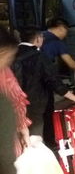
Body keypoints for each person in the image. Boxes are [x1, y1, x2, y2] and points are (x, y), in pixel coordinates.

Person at [14, 26, 75, 142]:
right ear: (38, 39)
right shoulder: (39, 56)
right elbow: (53, 81)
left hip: (13, 104)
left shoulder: (9, 55)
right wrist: (74, 97)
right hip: (36, 105)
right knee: (35, 139)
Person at [41, 17, 75, 147]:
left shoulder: (39, 37)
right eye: (66, 31)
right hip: (45, 80)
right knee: (47, 111)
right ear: (60, 28)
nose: (66, 35)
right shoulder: (57, 42)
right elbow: (72, 64)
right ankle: (50, 144)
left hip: (27, 81)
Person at [0, 25, 30, 172]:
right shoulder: (4, 75)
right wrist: (22, 126)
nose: (9, 62)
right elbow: (17, 99)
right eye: (8, 57)